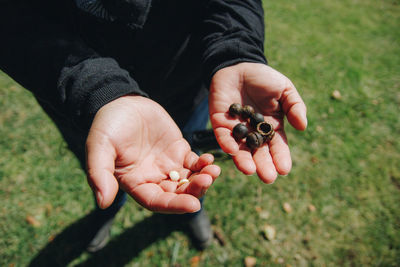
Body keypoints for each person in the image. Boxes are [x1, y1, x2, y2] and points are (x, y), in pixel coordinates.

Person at [0, 0, 307, 252]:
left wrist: (237, 51)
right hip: (84, 101)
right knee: (107, 170)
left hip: (188, 88)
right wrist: (99, 92)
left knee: (191, 163)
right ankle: (107, 211)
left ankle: (191, 209)